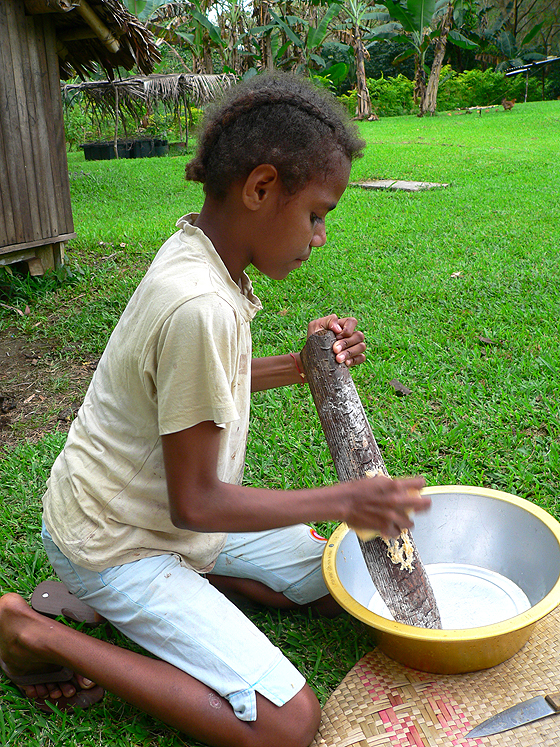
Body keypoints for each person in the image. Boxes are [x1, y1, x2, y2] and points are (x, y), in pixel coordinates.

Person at [0, 73, 429, 747]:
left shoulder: (206, 258)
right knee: (289, 724)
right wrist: (342, 499)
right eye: (317, 214)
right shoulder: (199, 303)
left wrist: (304, 364)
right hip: (116, 539)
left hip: (155, 517)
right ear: (260, 188)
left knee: (328, 580)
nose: (319, 237)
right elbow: (196, 502)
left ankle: (168, 589)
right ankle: (33, 630)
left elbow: (195, 386)